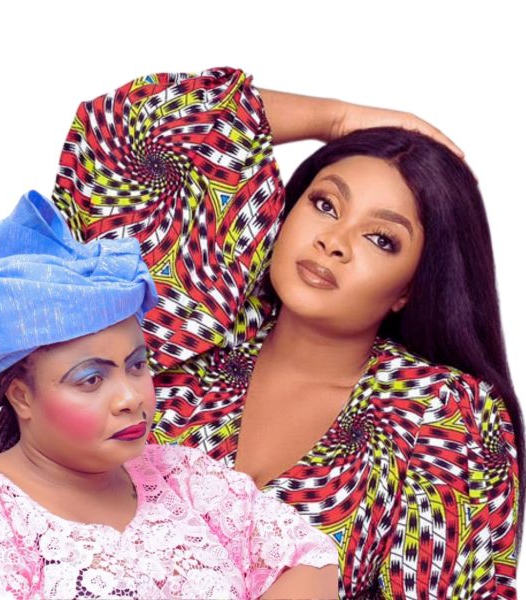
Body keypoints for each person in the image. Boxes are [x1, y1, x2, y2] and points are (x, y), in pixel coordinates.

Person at [50, 67, 522, 598]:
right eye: (325, 205)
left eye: (381, 239)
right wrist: (335, 119)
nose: (334, 241)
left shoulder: (438, 412)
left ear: (410, 288)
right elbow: (126, 131)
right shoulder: (192, 335)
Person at [0, 191, 338, 599]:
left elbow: (309, 558)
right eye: (91, 379)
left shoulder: (182, 476)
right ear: (22, 398)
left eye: (137, 365)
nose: (130, 398)